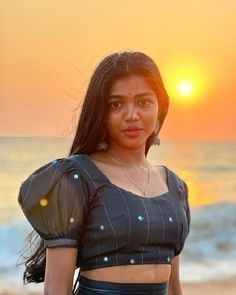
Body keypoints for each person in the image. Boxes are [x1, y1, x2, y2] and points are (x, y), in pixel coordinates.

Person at [18, 50, 191, 295]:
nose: (132, 115)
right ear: (101, 111)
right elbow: (57, 289)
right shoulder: (75, 178)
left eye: (143, 102)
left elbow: (174, 288)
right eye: (116, 104)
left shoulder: (175, 187)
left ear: (160, 108)